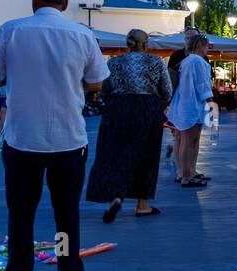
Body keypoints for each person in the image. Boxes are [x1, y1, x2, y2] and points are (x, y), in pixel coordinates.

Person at [0, 0, 108, 271]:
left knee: (21, 214)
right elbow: (95, 82)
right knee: (66, 214)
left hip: (23, 138)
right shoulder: (82, 34)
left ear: (34, 0)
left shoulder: (11, 31)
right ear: (64, 4)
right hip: (68, 140)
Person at [86, 29, 174, 221]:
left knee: (114, 154)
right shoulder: (156, 62)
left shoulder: (114, 62)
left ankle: (115, 197)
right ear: (145, 44)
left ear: (128, 44)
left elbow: (104, 91)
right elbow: (167, 91)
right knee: (146, 156)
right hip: (147, 109)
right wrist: (160, 104)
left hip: (118, 108)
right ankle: (142, 205)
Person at [166, 34, 213, 186]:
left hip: (184, 104)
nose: (208, 49)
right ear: (200, 46)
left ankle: (188, 173)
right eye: (206, 46)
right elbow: (202, 85)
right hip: (193, 105)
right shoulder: (198, 61)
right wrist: (210, 102)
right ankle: (187, 175)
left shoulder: (186, 61)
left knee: (188, 141)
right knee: (189, 141)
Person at [164, 26, 198, 161]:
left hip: (195, 101)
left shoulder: (202, 56)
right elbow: (169, 80)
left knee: (192, 137)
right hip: (178, 101)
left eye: (193, 37)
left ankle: (190, 170)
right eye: (188, 37)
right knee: (179, 136)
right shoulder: (176, 56)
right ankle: (181, 171)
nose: (190, 40)